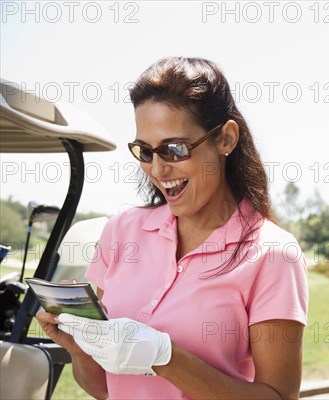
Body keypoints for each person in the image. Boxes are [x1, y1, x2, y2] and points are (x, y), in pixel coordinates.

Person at [36, 57, 309, 400]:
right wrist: (80, 348)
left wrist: (166, 358)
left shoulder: (272, 254)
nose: (158, 169)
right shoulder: (121, 232)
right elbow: (105, 389)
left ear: (225, 139)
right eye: (146, 152)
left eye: (175, 149)